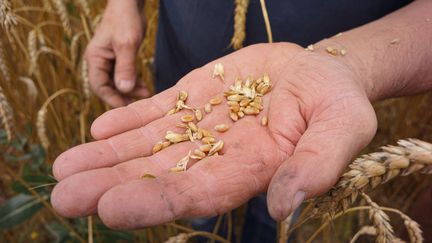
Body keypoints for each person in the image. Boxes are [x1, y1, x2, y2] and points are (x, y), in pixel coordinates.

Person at [50, 0, 432, 241]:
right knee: (193, 206)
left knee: (276, 209)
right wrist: (122, 5)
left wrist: (352, 62)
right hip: (183, 83)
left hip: (293, 123)